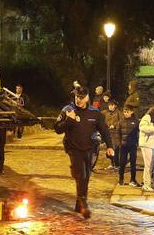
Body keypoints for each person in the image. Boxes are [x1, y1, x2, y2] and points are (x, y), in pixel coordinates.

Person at [54, 86, 114, 218]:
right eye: (76, 97)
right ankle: (83, 204)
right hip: (74, 148)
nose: (78, 99)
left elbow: (104, 130)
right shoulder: (68, 110)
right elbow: (57, 129)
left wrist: (110, 146)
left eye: (81, 97)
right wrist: (69, 119)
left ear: (87, 98)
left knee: (86, 175)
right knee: (81, 174)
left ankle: (78, 202)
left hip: (89, 148)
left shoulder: (95, 112)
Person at [138, 101, 154, 192]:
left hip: (150, 144)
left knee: (150, 164)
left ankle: (148, 182)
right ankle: (146, 184)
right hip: (146, 143)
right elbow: (142, 127)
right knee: (148, 165)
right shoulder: (148, 116)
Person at [117, 105, 140, 186]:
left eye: (127, 112)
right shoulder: (121, 121)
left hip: (132, 145)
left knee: (133, 163)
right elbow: (118, 133)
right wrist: (119, 143)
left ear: (131, 112)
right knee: (122, 163)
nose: (126, 113)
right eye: (124, 112)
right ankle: (121, 179)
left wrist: (137, 142)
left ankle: (133, 179)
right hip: (123, 146)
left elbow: (138, 133)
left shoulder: (136, 121)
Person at [104, 99, 123, 170]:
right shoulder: (106, 113)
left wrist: (114, 125)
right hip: (109, 133)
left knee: (116, 149)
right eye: (109, 105)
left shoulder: (119, 113)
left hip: (116, 134)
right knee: (110, 149)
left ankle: (117, 165)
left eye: (112, 105)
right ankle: (112, 163)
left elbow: (121, 122)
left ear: (115, 105)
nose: (110, 107)